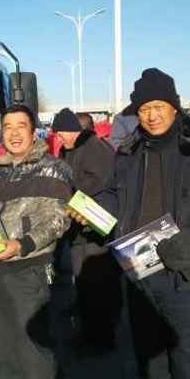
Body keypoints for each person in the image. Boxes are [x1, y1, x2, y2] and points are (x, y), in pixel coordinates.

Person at [74, 68, 190, 378]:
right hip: (140, 276)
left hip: (187, 277)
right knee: (150, 365)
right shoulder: (127, 154)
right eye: (144, 109)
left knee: (189, 366)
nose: (152, 116)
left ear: (174, 107)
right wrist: (93, 211)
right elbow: (113, 196)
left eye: (158, 106)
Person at [0, 104, 73, 379]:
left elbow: (58, 220)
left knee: (33, 351)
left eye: (21, 126)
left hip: (28, 270)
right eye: (8, 127)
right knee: (2, 350)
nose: (14, 133)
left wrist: (21, 245)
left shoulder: (54, 168)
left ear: (33, 132)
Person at [51, 107, 121, 354]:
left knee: (98, 287)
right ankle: (89, 335)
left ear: (72, 130)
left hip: (96, 228)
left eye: (61, 133)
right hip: (79, 230)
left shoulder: (95, 147)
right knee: (84, 285)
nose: (59, 138)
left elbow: (99, 178)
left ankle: (102, 341)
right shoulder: (67, 150)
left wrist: (68, 190)